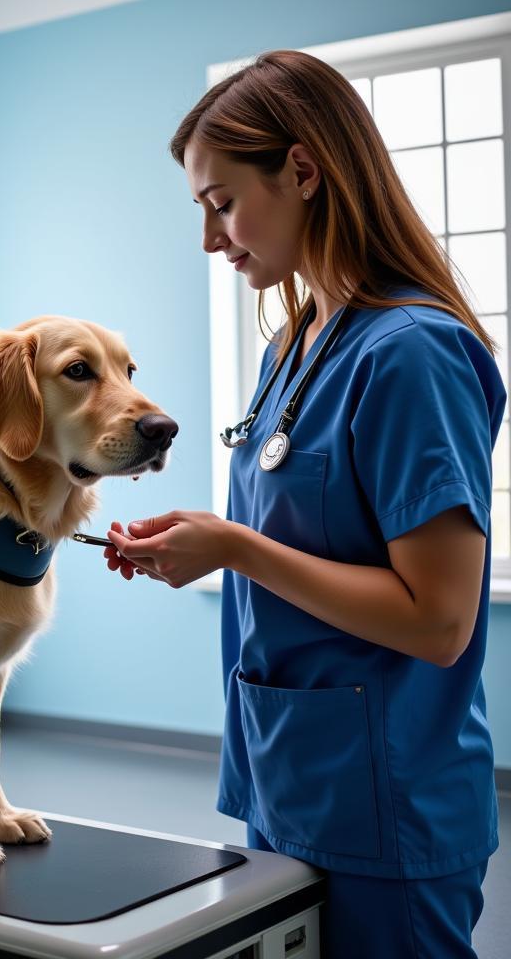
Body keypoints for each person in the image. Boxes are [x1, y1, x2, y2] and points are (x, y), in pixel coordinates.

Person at [104, 50, 504, 957]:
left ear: (304, 170)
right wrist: (196, 544)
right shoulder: (297, 338)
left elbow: (439, 620)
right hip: (290, 772)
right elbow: (302, 525)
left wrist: (235, 549)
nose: (211, 239)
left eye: (221, 203)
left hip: (386, 800)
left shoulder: (409, 352)